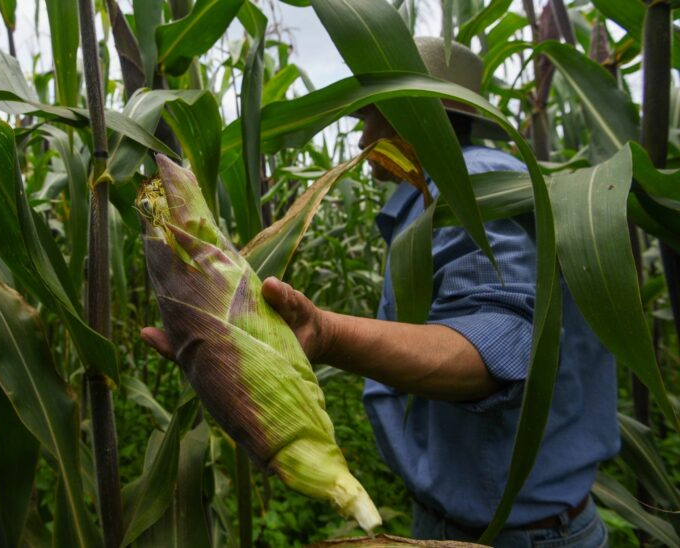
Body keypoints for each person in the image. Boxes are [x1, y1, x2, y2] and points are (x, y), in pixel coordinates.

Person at [142, 37, 619, 547]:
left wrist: (325, 333)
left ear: (415, 119)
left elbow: (500, 347)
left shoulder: (473, 187)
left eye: (372, 117)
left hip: (521, 537)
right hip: (473, 525)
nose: (363, 138)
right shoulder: (436, 197)